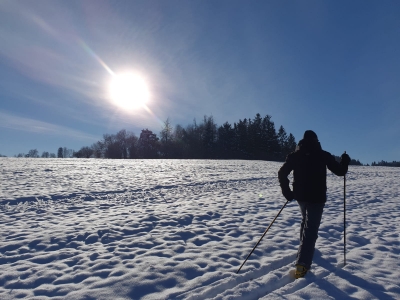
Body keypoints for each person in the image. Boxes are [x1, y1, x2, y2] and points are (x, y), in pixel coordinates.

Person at [278, 130, 350, 279]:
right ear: (316, 141)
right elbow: (340, 171)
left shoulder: (295, 156)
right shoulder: (322, 155)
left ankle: (303, 251)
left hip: (301, 197)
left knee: (306, 222)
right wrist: (345, 161)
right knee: (310, 230)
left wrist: (287, 191)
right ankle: (302, 264)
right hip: (316, 198)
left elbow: (282, 173)